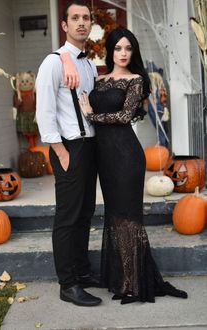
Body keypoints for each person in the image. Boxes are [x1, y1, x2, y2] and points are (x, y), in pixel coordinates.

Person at [76, 27, 188, 304]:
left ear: (133, 52)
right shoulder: (99, 80)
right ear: (110, 50)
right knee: (115, 216)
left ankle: (133, 283)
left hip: (126, 156)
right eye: (118, 48)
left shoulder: (136, 80)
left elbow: (125, 116)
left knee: (129, 218)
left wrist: (91, 115)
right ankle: (122, 278)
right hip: (105, 158)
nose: (124, 53)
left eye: (128, 49)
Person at [35, 0, 102, 307]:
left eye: (86, 18)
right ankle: (68, 284)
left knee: (85, 214)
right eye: (74, 18)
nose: (81, 23)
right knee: (68, 217)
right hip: (69, 148)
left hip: (89, 147)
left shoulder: (87, 63)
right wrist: (60, 151)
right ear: (64, 25)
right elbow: (44, 112)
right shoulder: (53, 63)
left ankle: (83, 272)